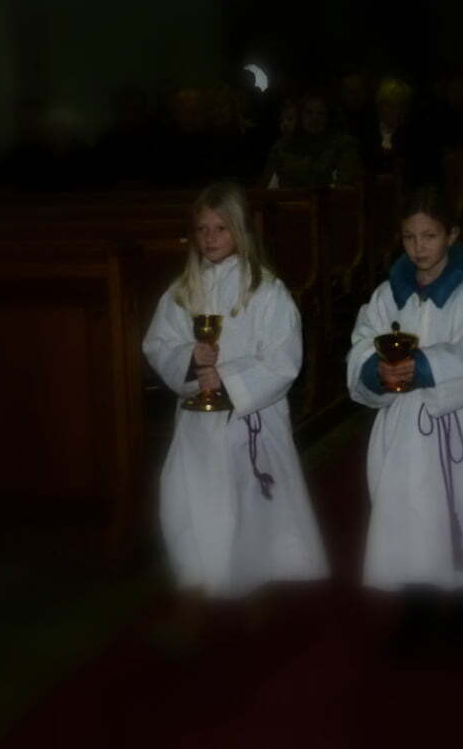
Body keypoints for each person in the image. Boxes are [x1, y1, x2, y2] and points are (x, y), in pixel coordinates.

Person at [346, 186, 463, 651]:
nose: (419, 247)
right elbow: (362, 341)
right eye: (409, 237)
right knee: (411, 512)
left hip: (462, 423)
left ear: (452, 235)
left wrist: (425, 366)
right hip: (404, 427)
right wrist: (377, 370)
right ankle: (416, 609)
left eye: (430, 236)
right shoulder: (387, 295)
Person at [142, 182, 329, 612]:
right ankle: (200, 578)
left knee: (248, 509)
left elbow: (283, 360)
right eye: (202, 229)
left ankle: (253, 586)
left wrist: (226, 381)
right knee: (189, 500)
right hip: (197, 423)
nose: (209, 238)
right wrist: (189, 359)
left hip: (249, 420)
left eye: (220, 228)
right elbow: (157, 343)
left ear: (241, 231)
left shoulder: (266, 291)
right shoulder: (182, 291)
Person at [260, 90, 363, 188]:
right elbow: (265, 186)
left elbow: (345, 185)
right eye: (309, 112)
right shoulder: (282, 147)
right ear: (300, 115)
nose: (315, 118)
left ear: (328, 117)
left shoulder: (343, 145)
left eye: (321, 113)